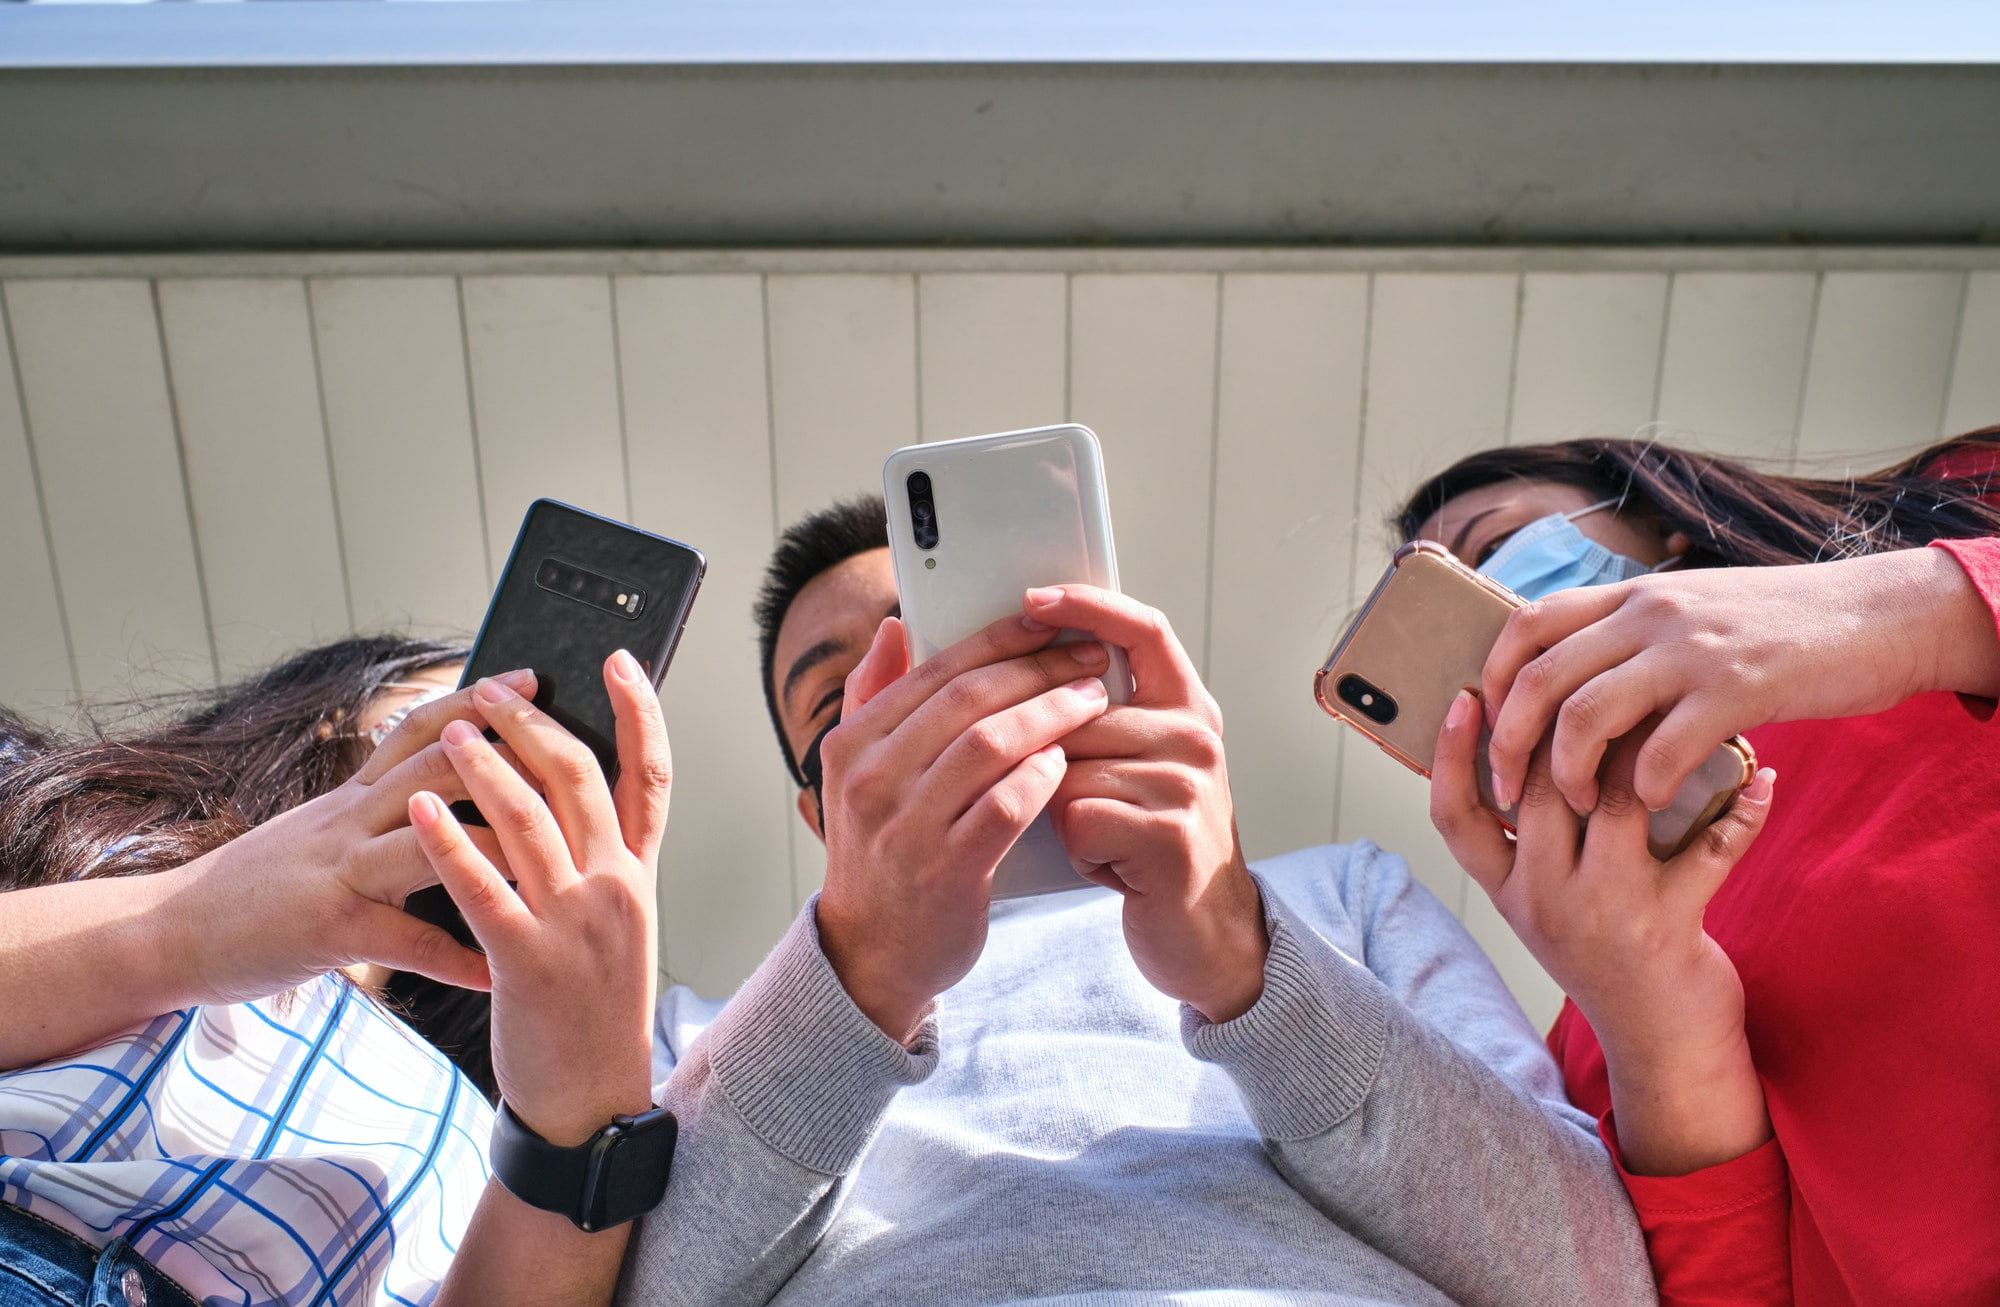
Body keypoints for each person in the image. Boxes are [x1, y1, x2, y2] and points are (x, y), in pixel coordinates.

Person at [457, 494, 1661, 1307]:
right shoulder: (697, 1031)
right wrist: (862, 970)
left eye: (949, 653)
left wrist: (1242, 958)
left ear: (1097, 674)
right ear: (824, 816)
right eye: (845, 711)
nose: (921, 711)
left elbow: (1588, 1273)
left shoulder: (1335, 895)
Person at [1396, 429, 2000, 1305]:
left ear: (1657, 520)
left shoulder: (1952, 518)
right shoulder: (1590, 1026)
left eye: (1492, 549)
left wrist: (1913, 617)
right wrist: (1657, 1026)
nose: (1500, 613)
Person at [0, 639, 549, 1305]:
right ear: (337, 712)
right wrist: (185, 924)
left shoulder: (483, 1124)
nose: (494, 764)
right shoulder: (42, 793)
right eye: (468, 717)